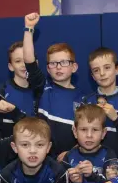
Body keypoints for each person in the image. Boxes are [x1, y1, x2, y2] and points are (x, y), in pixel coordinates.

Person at [23, 12, 83, 159]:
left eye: (64, 62)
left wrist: (71, 153)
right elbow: (29, 61)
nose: (58, 67)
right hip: (42, 159)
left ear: (74, 67)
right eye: (53, 63)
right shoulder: (43, 88)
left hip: (70, 160)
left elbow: (87, 135)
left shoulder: (83, 99)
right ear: (48, 69)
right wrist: (29, 29)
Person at [81, 47, 118, 155]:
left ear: (117, 69)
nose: (102, 73)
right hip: (93, 163)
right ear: (93, 76)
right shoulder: (87, 101)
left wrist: (117, 118)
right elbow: (80, 135)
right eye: (96, 70)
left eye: (107, 67)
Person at [0, 41, 40, 144]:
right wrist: (1, 154)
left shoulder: (40, 92)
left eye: (26, 60)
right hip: (8, 157)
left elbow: (41, 129)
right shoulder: (1, 92)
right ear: (11, 66)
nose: (23, 65)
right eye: (18, 61)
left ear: (35, 64)